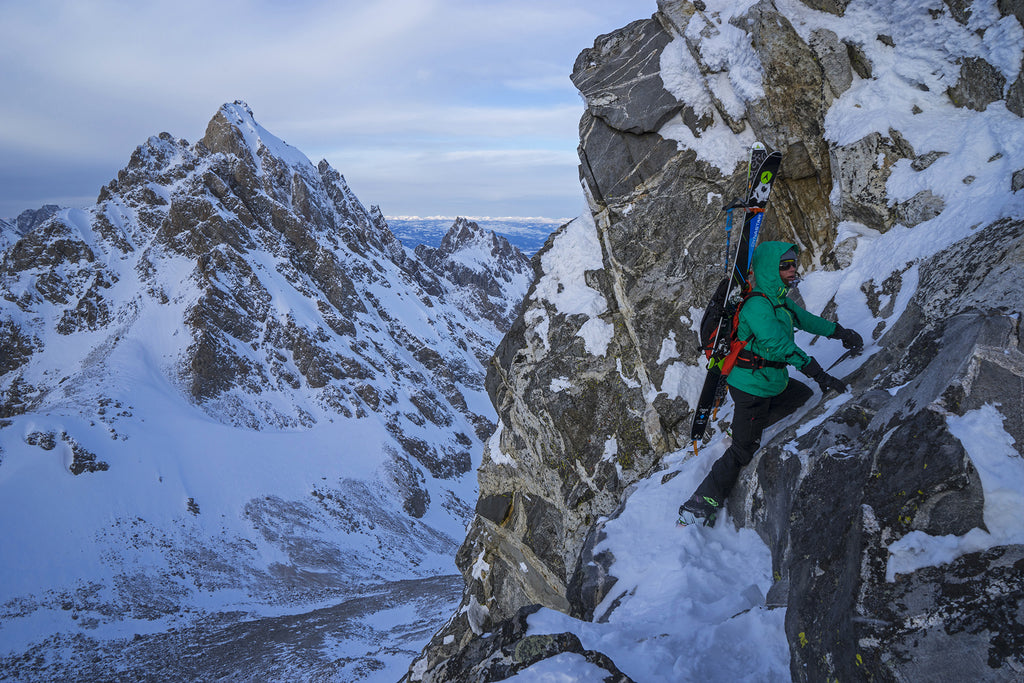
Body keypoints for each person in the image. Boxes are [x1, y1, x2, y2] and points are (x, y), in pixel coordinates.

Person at [678, 241, 863, 527]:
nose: (792, 270)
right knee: (743, 449)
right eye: (784, 265)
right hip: (751, 388)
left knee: (800, 396)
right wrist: (818, 373)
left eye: (793, 264)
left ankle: (748, 424)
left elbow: (808, 320)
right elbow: (777, 344)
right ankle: (700, 503)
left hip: (773, 382)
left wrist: (841, 333)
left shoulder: (779, 301)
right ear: (768, 270)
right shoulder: (756, 306)